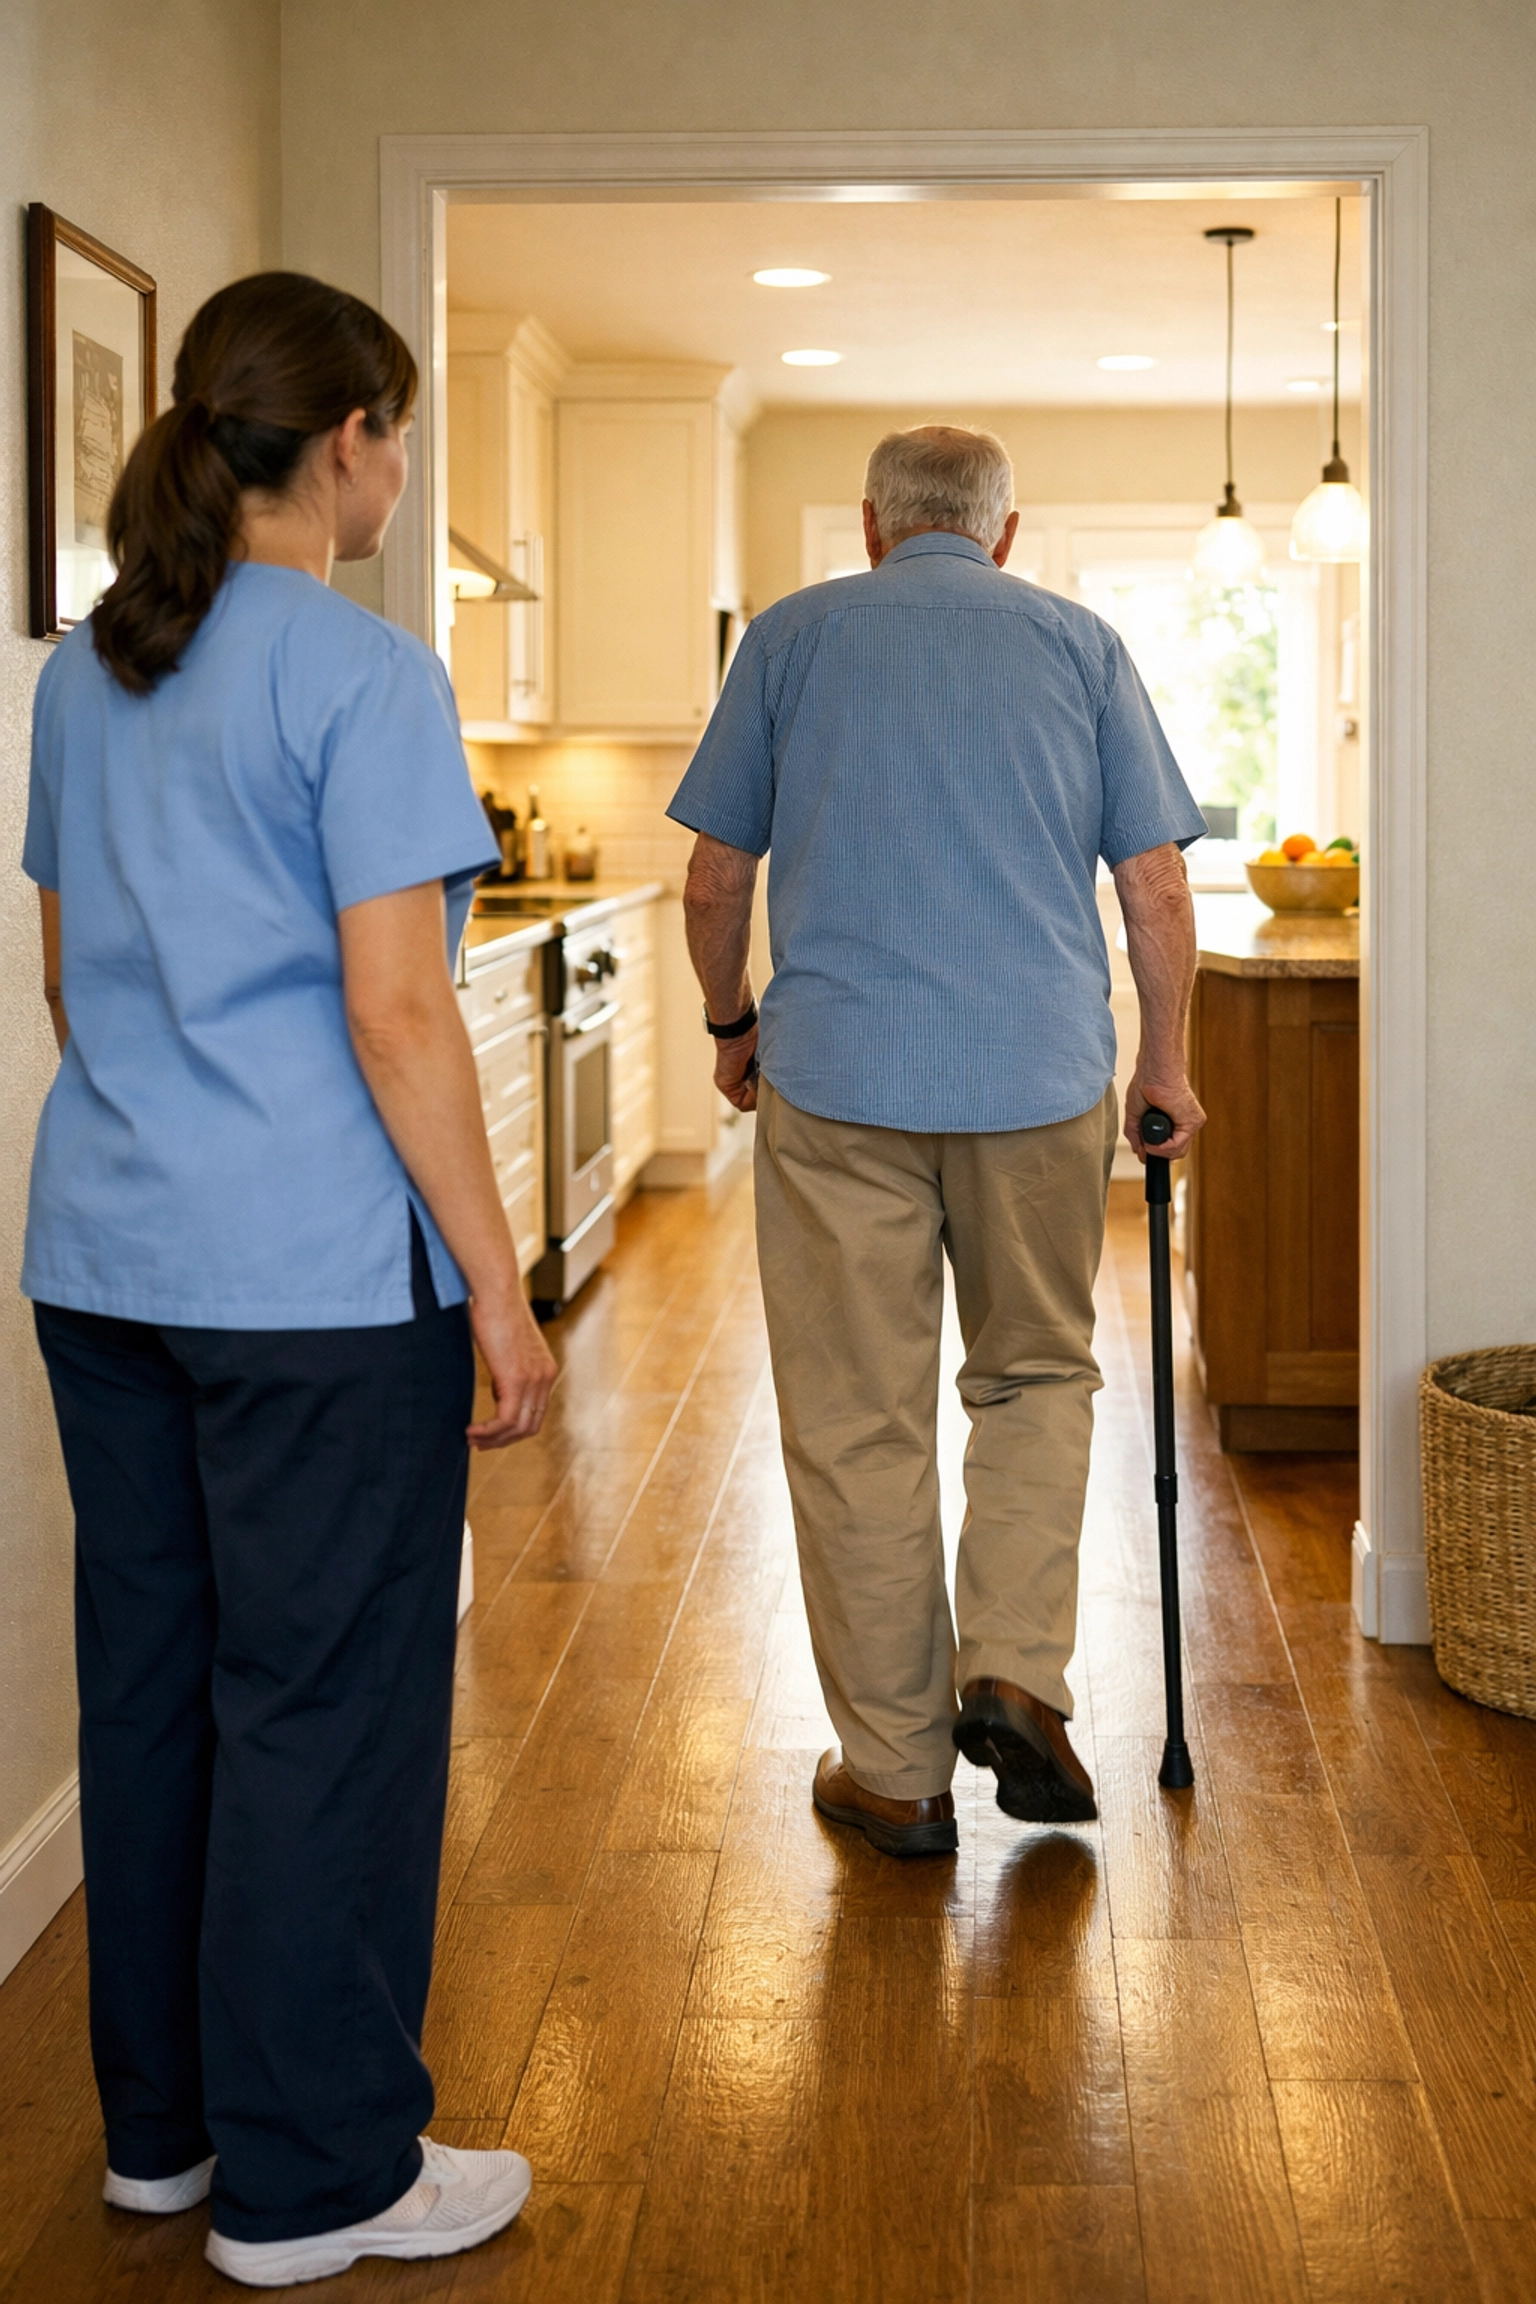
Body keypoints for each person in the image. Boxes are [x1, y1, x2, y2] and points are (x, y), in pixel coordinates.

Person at [22, 273, 558, 2284]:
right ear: (340, 443)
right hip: (318, 1297)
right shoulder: (361, 674)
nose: (400, 474)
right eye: (393, 433)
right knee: (322, 1708)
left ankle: (162, 2139)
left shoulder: (87, 676)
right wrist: (498, 1291)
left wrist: (175, 1150)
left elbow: (73, 982)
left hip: (105, 1265)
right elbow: (402, 1018)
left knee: (153, 1696)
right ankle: (320, 2173)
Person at [670, 424, 1207, 1859]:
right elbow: (1153, 887)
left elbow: (717, 878)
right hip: (1037, 1078)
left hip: (838, 1080)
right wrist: (1166, 1060)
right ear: (1006, 533)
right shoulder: (1081, 647)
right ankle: (1019, 1670)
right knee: (1037, 1373)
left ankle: (898, 1773)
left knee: (858, 1417)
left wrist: (729, 1026)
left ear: (870, 526)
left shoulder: (789, 641)